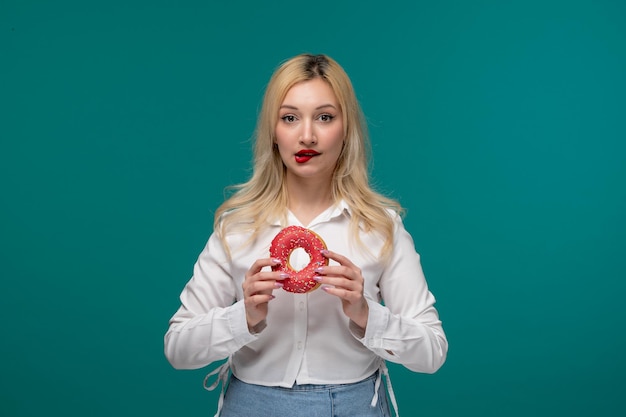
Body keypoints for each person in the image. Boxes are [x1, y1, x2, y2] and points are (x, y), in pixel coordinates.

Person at [164, 53, 448, 417]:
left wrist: (365, 312)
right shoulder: (235, 227)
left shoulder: (381, 226)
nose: (307, 135)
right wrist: (245, 315)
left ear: (346, 131)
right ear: (273, 132)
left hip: (354, 407)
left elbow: (433, 353)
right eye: (290, 118)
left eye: (325, 117)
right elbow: (177, 349)